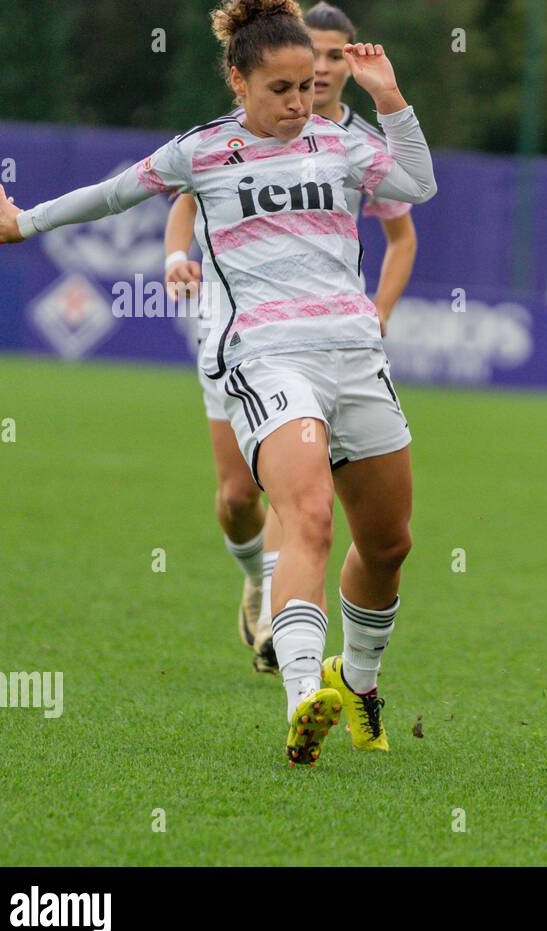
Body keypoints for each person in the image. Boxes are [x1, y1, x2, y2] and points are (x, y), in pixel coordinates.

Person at [0, 0, 437, 767]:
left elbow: (418, 186)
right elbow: (112, 194)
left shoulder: (341, 142)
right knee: (307, 515)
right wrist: (24, 222)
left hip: (356, 357)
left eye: (309, 86)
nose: (300, 102)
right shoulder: (201, 152)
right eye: (281, 89)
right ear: (238, 79)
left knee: (390, 543)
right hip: (269, 358)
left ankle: (356, 680)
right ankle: (304, 696)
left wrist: (389, 98)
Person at [163, 0, 419, 674]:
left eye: (337, 56)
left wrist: (377, 312)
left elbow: (401, 232)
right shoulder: (234, 134)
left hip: (322, 337)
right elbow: (185, 195)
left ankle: (287, 629)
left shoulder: (358, 145)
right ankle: (256, 576)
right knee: (239, 497)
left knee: (301, 495)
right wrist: (173, 256)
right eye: (317, 54)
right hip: (234, 327)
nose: (326, 68)